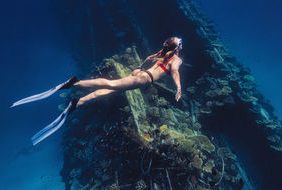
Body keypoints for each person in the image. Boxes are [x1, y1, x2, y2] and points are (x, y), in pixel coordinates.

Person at [11, 37, 183, 145]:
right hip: (143, 79)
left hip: (141, 74)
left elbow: (147, 59)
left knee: (109, 90)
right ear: (177, 48)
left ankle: (78, 103)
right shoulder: (176, 59)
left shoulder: (162, 53)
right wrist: (179, 87)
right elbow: (174, 72)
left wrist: (138, 68)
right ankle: (75, 83)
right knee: (110, 85)